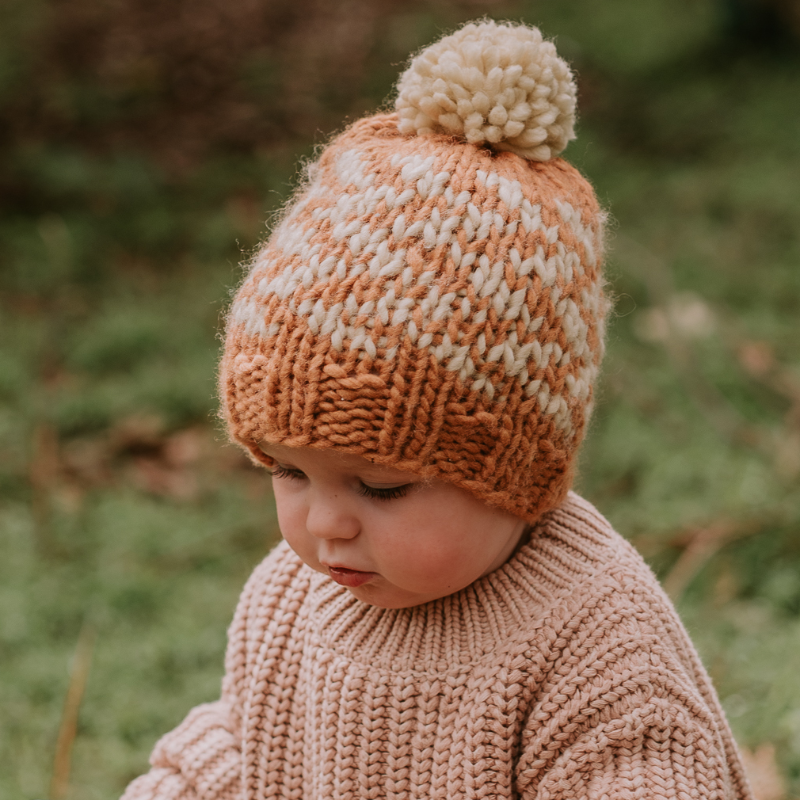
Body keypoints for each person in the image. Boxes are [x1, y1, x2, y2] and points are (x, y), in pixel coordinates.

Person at [122, 20, 753, 800]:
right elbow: (247, 744)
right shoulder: (291, 594)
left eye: (380, 487)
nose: (325, 524)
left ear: (516, 476)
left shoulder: (595, 642)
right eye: (288, 473)